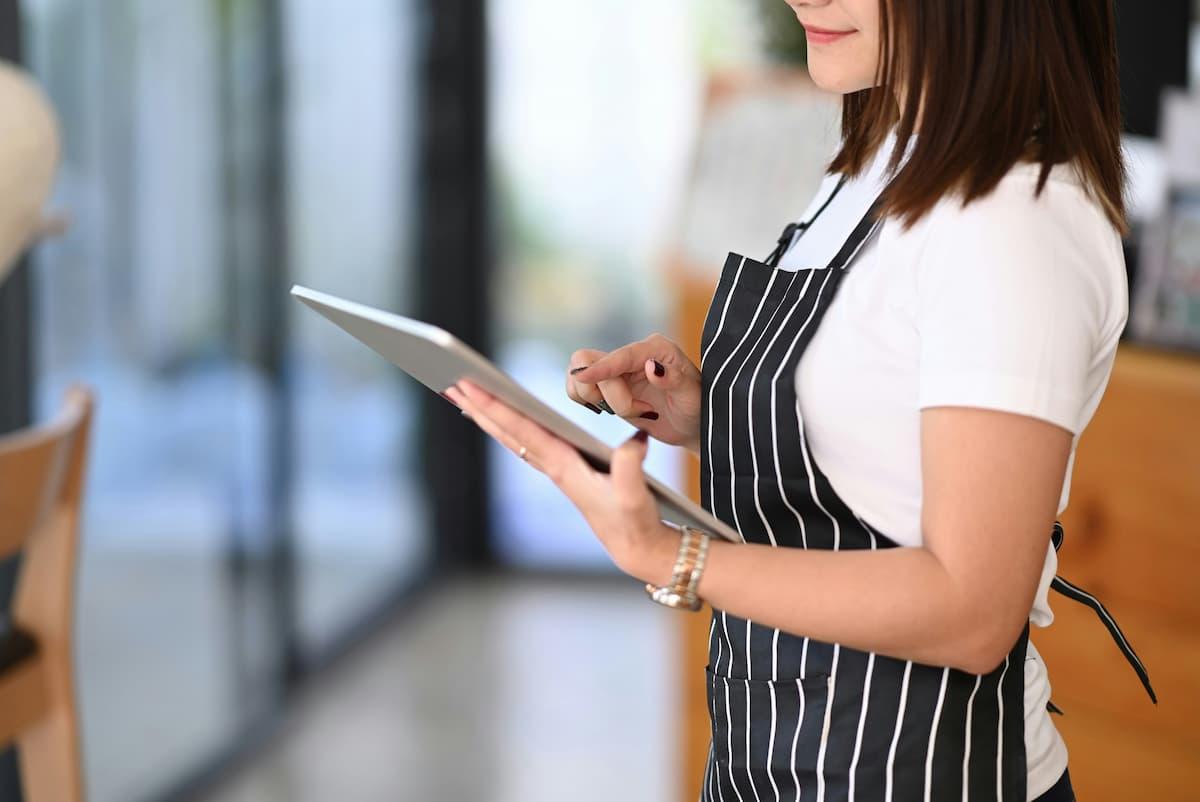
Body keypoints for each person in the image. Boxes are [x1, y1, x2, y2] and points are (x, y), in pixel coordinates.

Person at [445, 0, 1156, 799]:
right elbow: (884, 443)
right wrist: (714, 418)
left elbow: (972, 613)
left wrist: (672, 556)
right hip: (767, 765)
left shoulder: (1012, 222)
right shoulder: (875, 161)